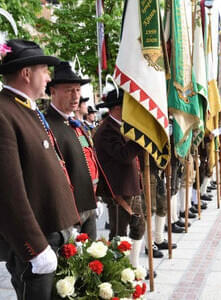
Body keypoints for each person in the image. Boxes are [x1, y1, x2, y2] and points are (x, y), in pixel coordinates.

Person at [0, 39, 80, 300]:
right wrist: (33, 246)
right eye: (44, 70)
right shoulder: (4, 112)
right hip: (36, 240)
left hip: (52, 230)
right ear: (26, 73)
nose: (48, 77)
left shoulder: (25, 109)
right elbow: (8, 190)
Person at [93, 88, 146, 270]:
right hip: (117, 190)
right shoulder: (107, 130)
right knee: (119, 234)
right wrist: (141, 139)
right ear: (117, 108)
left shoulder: (119, 126)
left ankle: (133, 265)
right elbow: (123, 155)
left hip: (129, 187)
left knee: (138, 226)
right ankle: (118, 270)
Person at [46, 61, 99, 239]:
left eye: (78, 90)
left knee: (93, 261)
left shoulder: (77, 125)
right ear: (53, 91)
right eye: (69, 90)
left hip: (89, 204)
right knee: (69, 262)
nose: (75, 95)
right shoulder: (46, 126)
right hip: (68, 211)